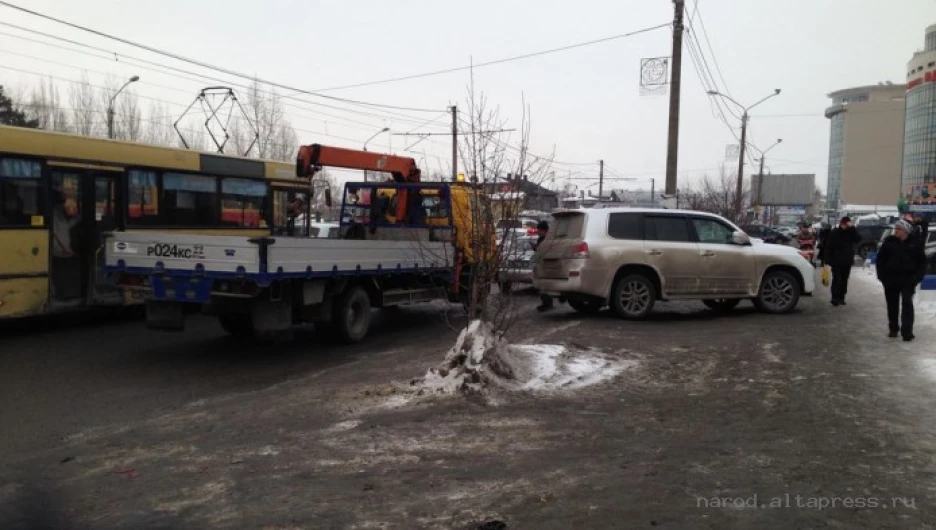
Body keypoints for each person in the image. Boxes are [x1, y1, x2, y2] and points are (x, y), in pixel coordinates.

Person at [876, 220, 926, 341]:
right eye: (896, 228)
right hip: (890, 278)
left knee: (907, 302)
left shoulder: (916, 243)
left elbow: (922, 263)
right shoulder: (889, 242)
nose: (896, 231)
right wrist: (882, 277)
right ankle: (893, 328)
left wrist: (916, 278)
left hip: (908, 279)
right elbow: (880, 260)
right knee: (892, 304)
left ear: (905, 231)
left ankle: (907, 331)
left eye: (899, 229)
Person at [823, 216, 861, 306]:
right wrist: (827, 260)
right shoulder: (834, 232)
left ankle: (841, 297)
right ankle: (834, 298)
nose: (845, 226)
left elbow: (858, 239)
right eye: (843, 224)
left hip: (847, 261)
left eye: (847, 224)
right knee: (836, 279)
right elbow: (828, 247)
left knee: (844, 280)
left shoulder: (851, 232)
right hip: (836, 261)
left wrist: (852, 228)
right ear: (841, 223)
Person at [532, 220, 554, 312]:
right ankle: (546, 303)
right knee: (543, 285)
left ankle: (547, 304)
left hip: (545, 265)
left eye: (540, 230)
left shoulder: (546, 239)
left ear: (544, 230)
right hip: (541, 263)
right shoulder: (541, 238)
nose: (538, 232)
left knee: (544, 285)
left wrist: (536, 248)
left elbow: (543, 251)